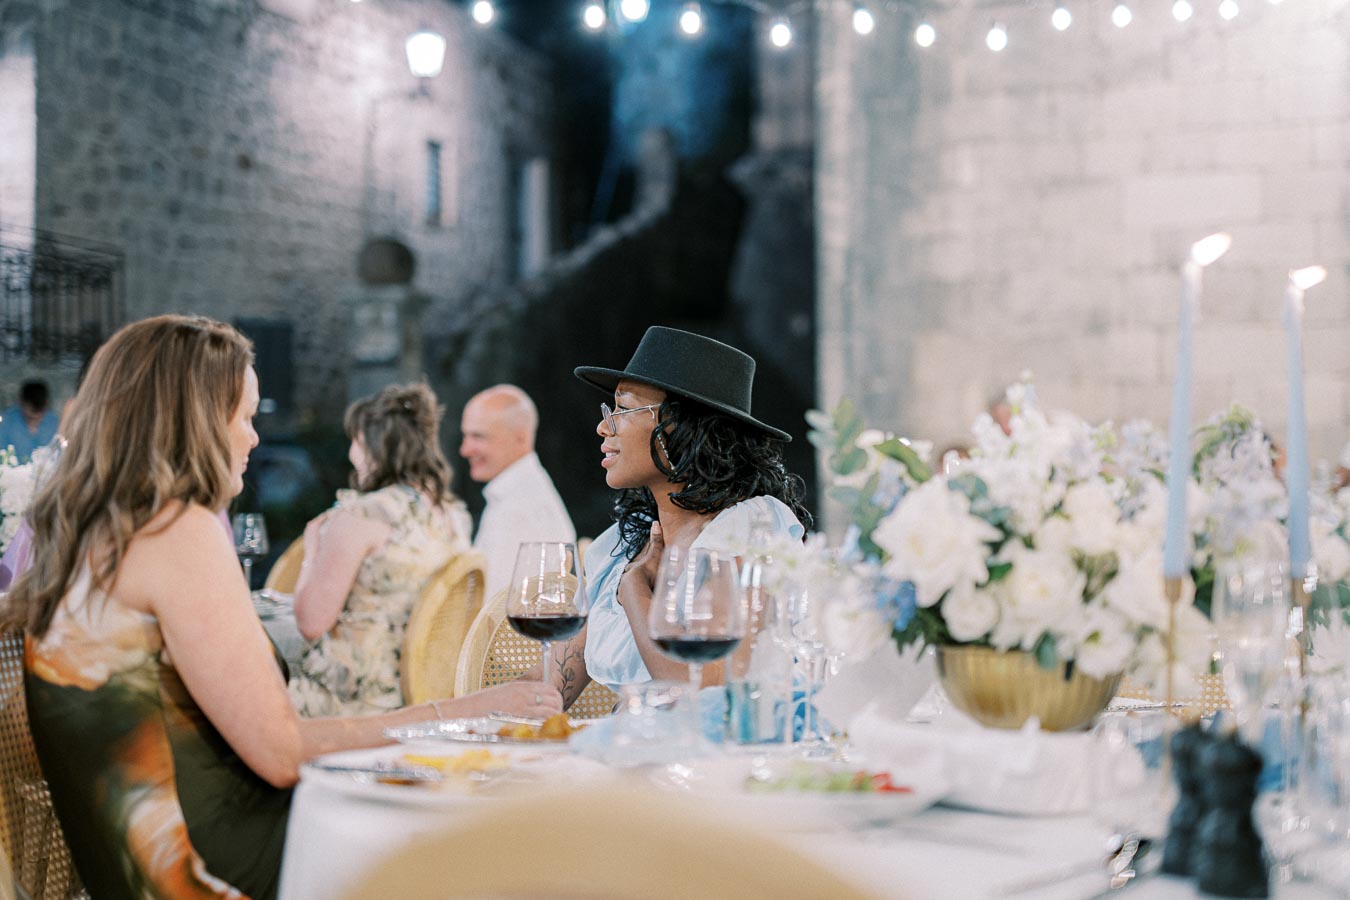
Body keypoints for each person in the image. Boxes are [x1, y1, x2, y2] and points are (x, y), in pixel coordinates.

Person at [6, 315, 560, 899]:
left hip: (139, 860)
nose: (253, 437)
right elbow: (282, 754)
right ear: (191, 419)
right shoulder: (176, 530)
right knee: (502, 843)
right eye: (244, 416)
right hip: (212, 867)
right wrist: (464, 711)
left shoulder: (85, 537)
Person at [536, 326, 811, 708]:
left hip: (718, 761)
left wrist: (635, 593)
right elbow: (546, 691)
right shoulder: (622, 549)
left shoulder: (748, 530)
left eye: (623, 408)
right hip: (631, 755)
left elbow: (704, 690)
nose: (603, 426)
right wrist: (436, 716)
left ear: (678, 426)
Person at [288, 383, 474, 717]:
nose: (351, 455)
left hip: (354, 702)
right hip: (427, 695)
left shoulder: (361, 515)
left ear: (376, 446)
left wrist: (313, 549)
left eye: (355, 442)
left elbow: (312, 622)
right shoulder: (454, 517)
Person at [459, 384, 575, 599]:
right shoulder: (516, 494)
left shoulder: (521, 510)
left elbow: (496, 609)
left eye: (478, 437)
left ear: (520, 438)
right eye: (465, 436)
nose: (465, 450)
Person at [0, 379, 59, 461]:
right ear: (21, 403)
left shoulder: (54, 422)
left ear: (46, 405)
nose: (35, 421)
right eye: (30, 417)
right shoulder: (6, 422)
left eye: (40, 416)